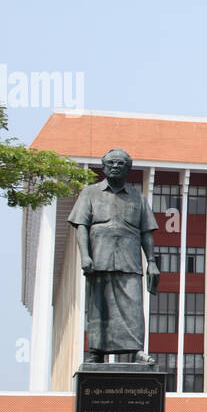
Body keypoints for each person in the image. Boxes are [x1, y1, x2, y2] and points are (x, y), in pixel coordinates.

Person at [67, 148, 159, 363]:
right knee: (99, 306)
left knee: (134, 306)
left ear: (128, 168)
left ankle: (136, 350)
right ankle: (96, 352)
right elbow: (82, 226)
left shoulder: (138, 196)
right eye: (111, 163)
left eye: (120, 163)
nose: (115, 166)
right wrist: (85, 256)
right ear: (104, 166)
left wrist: (152, 262)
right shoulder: (90, 193)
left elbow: (146, 232)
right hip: (100, 258)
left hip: (130, 260)